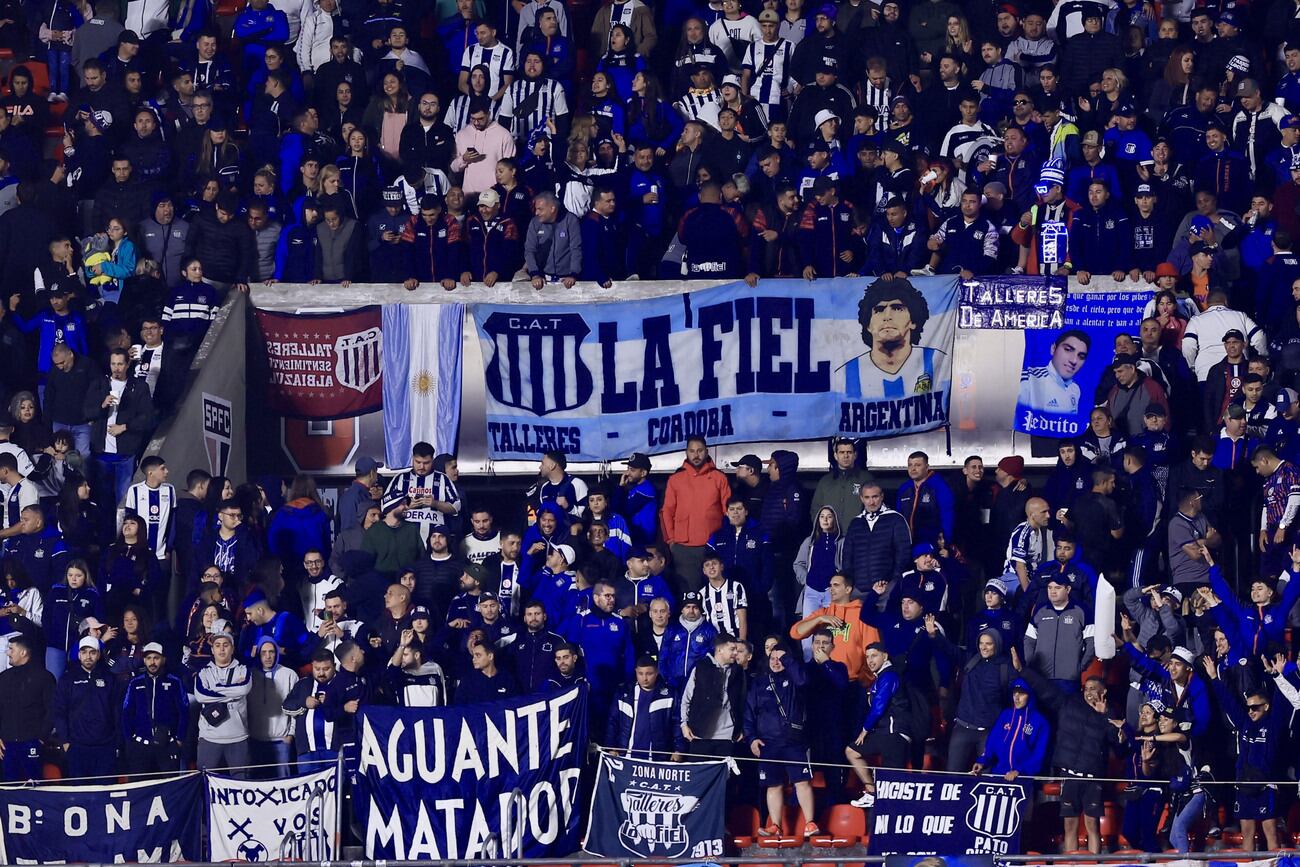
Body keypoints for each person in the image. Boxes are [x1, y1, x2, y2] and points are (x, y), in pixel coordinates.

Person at [746, 641, 819, 837]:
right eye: (773, 659)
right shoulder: (759, 682)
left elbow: (804, 680)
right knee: (773, 784)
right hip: (768, 742)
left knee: (802, 781)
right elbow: (749, 713)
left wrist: (787, 658)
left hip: (793, 741)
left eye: (780, 659)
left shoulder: (795, 678)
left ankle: (810, 822)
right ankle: (776, 825)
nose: (776, 662)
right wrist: (752, 738)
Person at [194, 620, 253, 776]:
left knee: (241, 785)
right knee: (205, 783)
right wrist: (231, 693)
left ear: (232, 648)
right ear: (212, 650)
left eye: (225, 645)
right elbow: (201, 696)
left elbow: (244, 688)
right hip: (209, 737)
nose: (221, 649)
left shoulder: (243, 670)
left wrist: (214, 690)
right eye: (217, 645)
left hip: (238, 736)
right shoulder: (203, 672)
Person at [679, 633, 744, 759]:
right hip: (699, 734)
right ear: (720, 650)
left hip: (727, 736)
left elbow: (742, 701)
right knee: (698, 776)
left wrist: (741, 728)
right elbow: (686, 698)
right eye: (732, 649)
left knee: (724, 778)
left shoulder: (738, 672)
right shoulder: (701, 667)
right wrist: (684, 724)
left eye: (736, 649)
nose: (736, 653)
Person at [607, 656, 677, 760]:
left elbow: (676, 723)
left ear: (657, 672)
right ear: (636, 672)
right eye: (640, 673)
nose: (644, 678)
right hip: (627, 756)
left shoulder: (669, 694)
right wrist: (611, 747)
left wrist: (679, 750)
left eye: (649, 674)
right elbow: (613, 722)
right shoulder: (624, 693)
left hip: (656, 759)